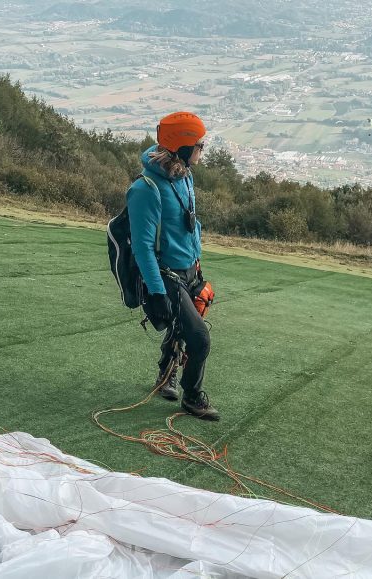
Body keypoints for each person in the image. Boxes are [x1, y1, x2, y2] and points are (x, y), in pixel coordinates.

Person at [126, 111, 219, 421]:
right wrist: (156, 292)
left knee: (183, 326)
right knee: (199, 338)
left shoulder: (184, 176)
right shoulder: (145, 189)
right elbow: (141, 247)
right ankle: (192, 397)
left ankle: (166, 375)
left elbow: (187, 225)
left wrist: (197, 263)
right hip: (166, 277)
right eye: (199, 145)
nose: (202, 150)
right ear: (181, 147)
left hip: (189, 269)